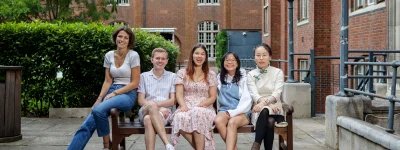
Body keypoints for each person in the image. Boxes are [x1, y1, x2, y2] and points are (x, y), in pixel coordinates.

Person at [68, 26, 140, 150]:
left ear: (129, 41)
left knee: (97, 111)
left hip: (127, 93)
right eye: (119, 36)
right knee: (87, 124)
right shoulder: (109, 55)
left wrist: (115, 93)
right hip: (111, 92)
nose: (122, 39)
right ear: (115, 38)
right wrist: (99, 98)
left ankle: (107, 146)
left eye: (125, 37)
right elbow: (107, 81)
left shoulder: (133, 55)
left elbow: (135, 83)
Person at [170, 44, 217, 150]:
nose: (199, 56)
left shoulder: (211, 74)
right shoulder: (182, 73)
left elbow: (213, 97)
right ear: (192, 55)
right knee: (179, 117)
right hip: (186, 105)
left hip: (205, 107)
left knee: (198, 113)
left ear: (205, 57)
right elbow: (179, 94)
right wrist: (183, 106)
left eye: (202, 54)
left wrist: (202, 104)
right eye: (197, 53)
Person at [247, 44, 285, 150]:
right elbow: (254, 94)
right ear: (254, 58)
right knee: (269, 120)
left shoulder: (278, 72)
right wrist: (266, 105)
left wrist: (265, 103)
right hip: (259, 111)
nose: (261, 58)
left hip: (275, 109)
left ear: (270, 57)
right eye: (258, 55)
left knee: (266, 112)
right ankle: (258, 145)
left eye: (264, 55)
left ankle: (256, 144)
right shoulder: (251, 74)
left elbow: (277, 93)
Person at [137, 48, 176, 150]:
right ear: (152, 59)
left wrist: (155, 107)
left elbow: (173, 100)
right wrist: (156, 107)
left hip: (165, 113)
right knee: (147, 114)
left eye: (163, 59)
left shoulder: (172, 76)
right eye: (157, 58)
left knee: (148, 119)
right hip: (145, 110)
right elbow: (141, 100)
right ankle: (167, 143)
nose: (160, 61)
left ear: (167, 61)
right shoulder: (143, 76)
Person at [214, 52, 252, 150]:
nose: (229, 62)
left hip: (241, 111)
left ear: (237, 63)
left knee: (232, 123)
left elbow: (247, 100)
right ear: (223, 63)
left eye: (232, 60)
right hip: (225, 110)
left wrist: (233, 113)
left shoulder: (244, 78)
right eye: (227, 60)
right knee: (218, 121)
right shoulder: (219, 77)